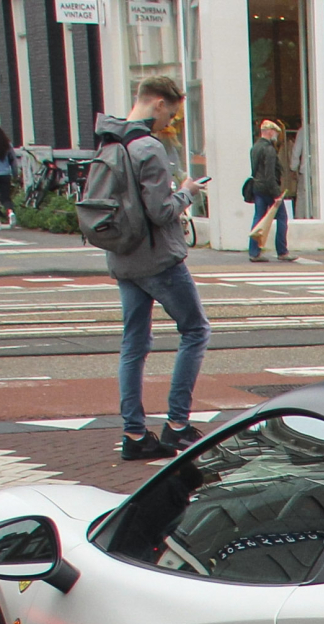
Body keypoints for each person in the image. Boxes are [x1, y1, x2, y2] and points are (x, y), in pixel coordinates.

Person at [98, 76, 210, 462]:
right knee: (195, 330)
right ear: (159, 103)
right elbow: (161, 211)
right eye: (172, 113)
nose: (170, 122)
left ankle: (133, 433)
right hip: (158, 258)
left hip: (124, 256)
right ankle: (177, 425)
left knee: (134, 344)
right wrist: (188, 192)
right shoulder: (149, 147)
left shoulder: (110, 140)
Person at [247, 118, 292, 263]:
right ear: (270, 131)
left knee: (258, 219)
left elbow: (256, 170)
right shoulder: (269, 149)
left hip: (257, 188)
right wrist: (277, 194)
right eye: (275, 132)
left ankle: (254, 252)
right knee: (282, 218)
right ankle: (282, 251)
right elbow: (270, 175)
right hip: (269, 189)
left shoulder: (255, 147)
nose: (276, 136)